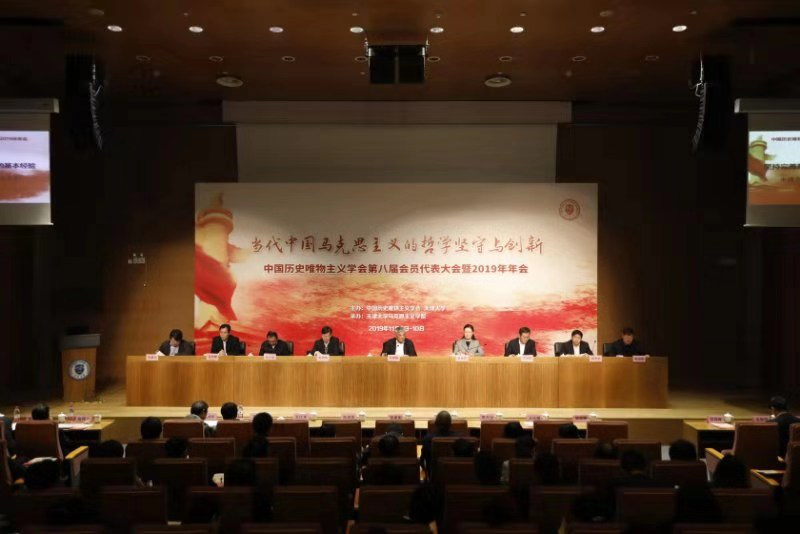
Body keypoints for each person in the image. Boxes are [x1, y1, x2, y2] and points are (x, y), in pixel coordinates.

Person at [421, 410, 457, 475]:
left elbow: (422, 460)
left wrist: (426, 472)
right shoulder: (459, 439)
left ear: (435, 423)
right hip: (454, 474)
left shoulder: (427, 439)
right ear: (451, 424)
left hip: (433, 475)